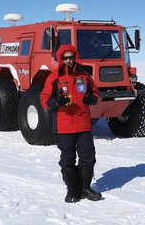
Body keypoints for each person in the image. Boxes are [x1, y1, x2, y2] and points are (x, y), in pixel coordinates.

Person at [41, 44, 101, 203]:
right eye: (65, 58)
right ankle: (72, 190)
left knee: (88, 158)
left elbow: (95, 93)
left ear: (75, 58)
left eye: (71, 57)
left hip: (83, 125)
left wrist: (92, 99)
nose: (68, 60)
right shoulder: (55, 77)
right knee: (67, 159)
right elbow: (44, 99)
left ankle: (85, 189)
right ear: (61, 59)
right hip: (65, 125)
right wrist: (56, 101)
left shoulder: (85, 76)